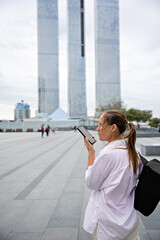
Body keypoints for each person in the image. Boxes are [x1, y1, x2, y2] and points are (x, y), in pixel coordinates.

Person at [83, 110, 143, 240]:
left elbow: (91, 183)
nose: (97, 129)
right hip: (129, 220)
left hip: (108, 224)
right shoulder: (134, 151)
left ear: (113, 127)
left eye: (100, 125)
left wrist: (91, 152)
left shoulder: (108, 155)